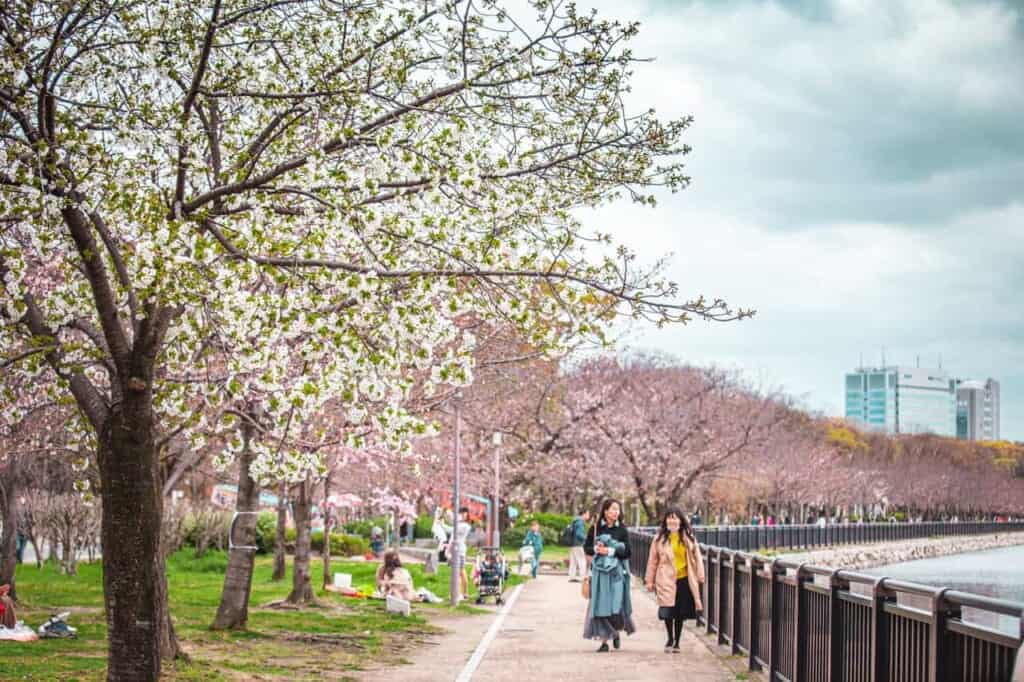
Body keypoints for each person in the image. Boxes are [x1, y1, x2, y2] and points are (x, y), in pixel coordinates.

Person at [645, 508, 705, 653]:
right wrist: (649, 580)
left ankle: (677, 641)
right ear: (666, 521)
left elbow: (697, 557)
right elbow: (652, 560)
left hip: (684, 578)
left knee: (680, 612)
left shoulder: (688, 537)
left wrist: (700, 575)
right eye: (670, 518)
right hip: (665, 578)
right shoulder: (659, 538)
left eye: (675, 518)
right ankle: (669, 637)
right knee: (667, 610)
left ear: (681, 521)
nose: (672, 521)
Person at [583, 499, 634, 652]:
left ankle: (615, 631)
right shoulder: (596, 529)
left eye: (618, 509)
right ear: (605, 511)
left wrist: (610, 551)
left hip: (617, 573)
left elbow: (628, 552)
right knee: (600, 606)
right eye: (613, 509)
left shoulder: (622, 530)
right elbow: (587, 548)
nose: (616, 512)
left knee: (615, 605)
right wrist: (597, 549)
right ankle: (604, 641)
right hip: (600, 573)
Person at [447, 507, 472, 600]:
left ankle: (461, 593)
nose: (462, 516)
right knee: (458, 573)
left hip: (459, 551)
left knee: (459, 572)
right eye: (461, 514)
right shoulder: (460, 524)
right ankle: (460, 593)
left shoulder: (465, 525)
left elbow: (451, 529)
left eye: (464, 514)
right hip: (456, 551)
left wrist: (442, 523)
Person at [568, 509, 590, 582]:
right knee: (582, 560)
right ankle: (583, 577)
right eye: (588, 514)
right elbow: (579, 534)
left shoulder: (575, 521)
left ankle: (572, 576)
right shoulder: (580, 522)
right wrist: (587, 538)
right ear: (584, 514)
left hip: (573, 544)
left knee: (573, 561)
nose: (588, 516)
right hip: (578, 544)